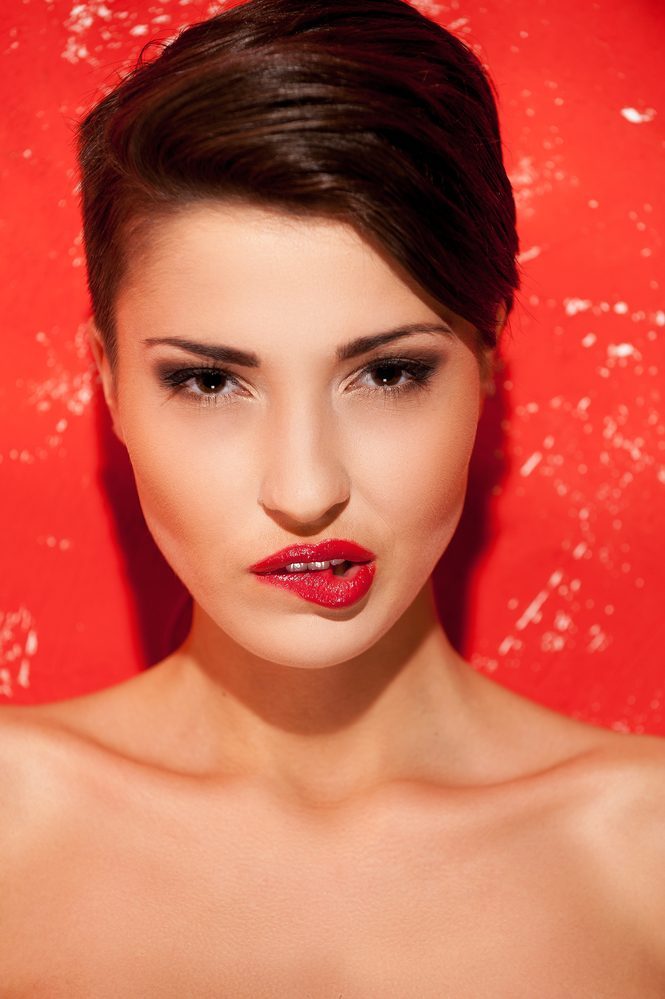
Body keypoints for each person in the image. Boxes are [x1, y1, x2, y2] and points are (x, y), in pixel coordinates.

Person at [1, 0, 664, 994]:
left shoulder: (642, 855)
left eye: (388, 374)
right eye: (209, 381)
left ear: (483, 362)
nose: (305, 491)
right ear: (106, 385)